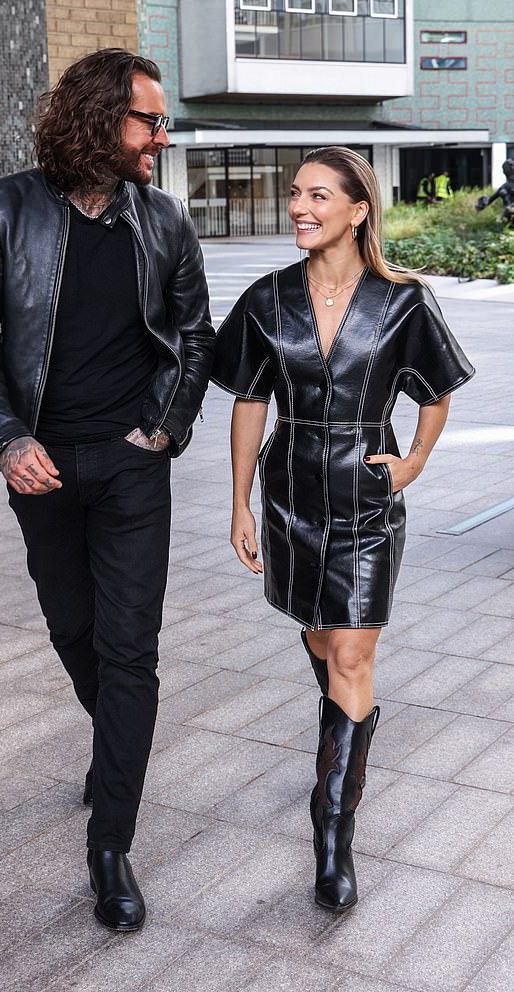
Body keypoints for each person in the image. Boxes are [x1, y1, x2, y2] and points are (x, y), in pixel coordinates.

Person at [0, 48, 214, 933]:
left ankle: (111, 844)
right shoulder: (6, 207)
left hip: (131, 462)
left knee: (131, 649)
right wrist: (7, 438)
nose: (160, 136)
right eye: (149, 120)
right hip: (42, 465)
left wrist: (163, 430)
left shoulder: (164, 220)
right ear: (101, 119)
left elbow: (194, 334)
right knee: (75, 631)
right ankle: (117, 752)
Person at [210, 146, 474, 913]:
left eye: (318, 195)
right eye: (296, 193)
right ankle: (341, 740)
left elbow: (435, 391)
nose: (299, 206)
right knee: (326, 642)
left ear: (358, 210)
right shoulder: (268, 298)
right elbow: (249, 403)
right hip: (289, 489)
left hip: (363, 497)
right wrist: (239, 505)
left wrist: (415, 461)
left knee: (353, 647)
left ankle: (331, 834)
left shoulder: (403, 302)